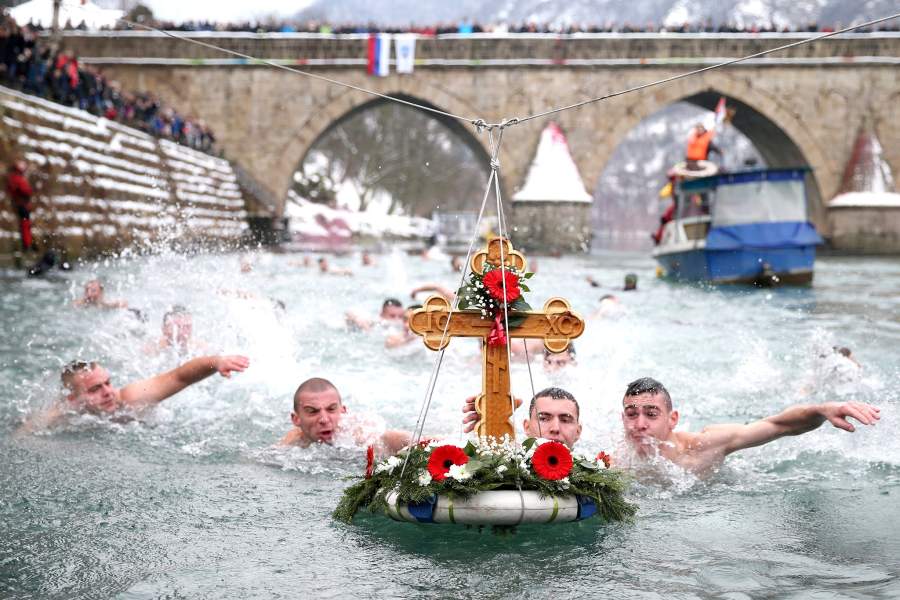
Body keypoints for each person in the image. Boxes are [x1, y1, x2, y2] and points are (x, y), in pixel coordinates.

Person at [617, 377, 880, 475]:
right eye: (632, 414)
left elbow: (778, 425)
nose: (639, 424)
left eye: (651, 414)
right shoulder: (615, 461)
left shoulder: (705, 446)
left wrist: (823, 409)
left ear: (672, 419)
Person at [18, 354, 250, 433]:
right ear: (72, 398)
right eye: (95, 389)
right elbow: (23, 437)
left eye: (108, 383)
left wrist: (216, 362)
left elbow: (179, 377)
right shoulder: (58, 416)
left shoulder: (129, 398)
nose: (108, 392)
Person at [277, 377, 413, 453]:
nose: (324, 419)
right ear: (296, 419)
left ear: (343, 411)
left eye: (331, 409)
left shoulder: (357, 433)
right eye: (313, 411)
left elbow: (387, 438)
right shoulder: (292, 443)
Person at [462, 387, 582, 449]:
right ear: (527, 427)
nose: (555, 428)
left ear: (578, 431)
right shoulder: (511, 462)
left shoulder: (595, 473)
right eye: (544, 419)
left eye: (565, 420)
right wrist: (489, 429)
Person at [143, 305, 208, 357]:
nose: (183, 333)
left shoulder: (200, 349)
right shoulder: (153, 349)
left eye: (187, 327)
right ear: (164, 329)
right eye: (177, 327)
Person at [6, 159, 35, 252]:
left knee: (26, 225)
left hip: (23, 205)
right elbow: (25, 190)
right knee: (25, 225)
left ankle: (28, 244)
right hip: (22, 205)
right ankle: (27, 245)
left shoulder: (17, 177)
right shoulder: (16, 178)